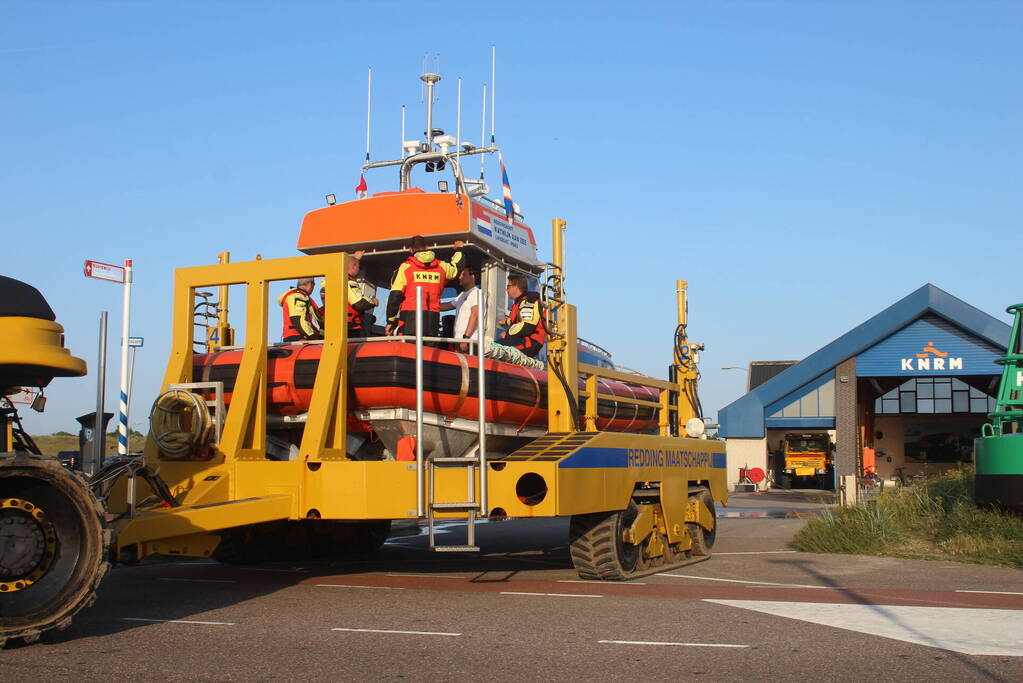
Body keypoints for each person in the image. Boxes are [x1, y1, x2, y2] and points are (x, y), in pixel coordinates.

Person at [385, 236, 464, 338]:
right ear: (427, 247)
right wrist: (459, 249)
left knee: (409, 351)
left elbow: (395, 295)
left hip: (409, 318)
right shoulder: (442, 266)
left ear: (410, 250)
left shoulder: (406, 267)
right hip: (432, 320)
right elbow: (457, 268)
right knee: (428, 352)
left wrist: (390, 321)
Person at [320, 251, 379, 337]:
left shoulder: (329, 280)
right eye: (359, 267)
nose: (359, 270)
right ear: (354, 267)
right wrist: (373, 302)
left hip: (332, 324)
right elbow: (359, 303)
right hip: (349, 326)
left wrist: (354, 259)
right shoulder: (348, 281)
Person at [499, 274, 546, 358]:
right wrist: (506, 321)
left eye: (508, 286)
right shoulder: (520, 301)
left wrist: (507, 334)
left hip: (530, 342)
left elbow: (527, 326)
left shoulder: (528, 301)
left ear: (516, 287)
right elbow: (516, 319)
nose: (507, 290)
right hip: (527, 340)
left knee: (494, 348)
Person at [440, 266, 480, 351]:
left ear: (472, 277)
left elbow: (475, 315)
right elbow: (447, 306)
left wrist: (466, 338)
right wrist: (426, 304)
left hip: (469, 341)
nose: (460, 277)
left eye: (463, 275)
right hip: (459, 339)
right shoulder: (462, 295)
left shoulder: (476, 293)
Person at [278, 277, 322, 342]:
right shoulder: (297, 297)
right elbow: (298, 320)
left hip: (302, 338)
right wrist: (312, 338)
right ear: (310, 284)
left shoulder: (304, 297)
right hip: (298, 338)